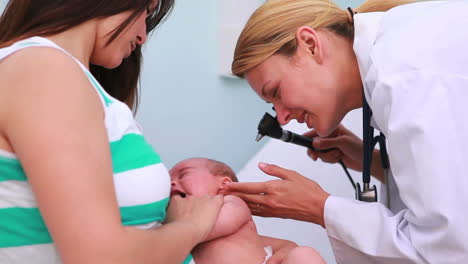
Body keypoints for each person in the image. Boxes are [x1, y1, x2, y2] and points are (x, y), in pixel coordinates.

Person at [225, 0, 468, 263]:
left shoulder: (405, 78)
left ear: (310, 44)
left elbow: (449, 248)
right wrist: (373, 161)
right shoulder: (395, 52)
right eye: (272, 106)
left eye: (276, 92)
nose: (282, 118)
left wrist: (319, 208)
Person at [0, 1, 224, 263]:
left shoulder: (53, 73)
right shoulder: (43, 69)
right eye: (146, 12)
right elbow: (101, 255)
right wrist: (193, 226)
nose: (142, 35)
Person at [169, 158, 326, 264]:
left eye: (183, 174)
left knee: (303, 255)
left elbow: (207, 228)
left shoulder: (230, 203)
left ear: (224, 184)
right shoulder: (188, 235)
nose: (172, 183)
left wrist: (169, 222)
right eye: (168, 182)